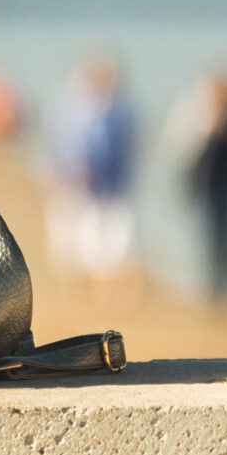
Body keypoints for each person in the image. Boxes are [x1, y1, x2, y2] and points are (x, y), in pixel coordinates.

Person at [45, 56, 138, 295]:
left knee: (109, 239)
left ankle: (102, 285)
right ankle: (83, 286)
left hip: (109, 185)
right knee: (81, 237)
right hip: (81, 183)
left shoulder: (119, 112)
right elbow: (64, 144)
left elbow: (126, 150)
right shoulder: (75, 109)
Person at [178, 64, 227, 304]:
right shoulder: (205, 124)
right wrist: (190, 190)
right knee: (211, 240)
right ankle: (214, 289)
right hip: (210, 192)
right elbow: (194, 160)